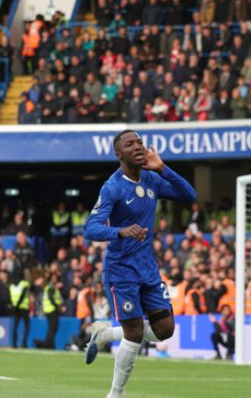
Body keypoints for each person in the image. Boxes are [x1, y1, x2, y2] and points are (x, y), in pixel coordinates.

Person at [82, 129, 196, 398]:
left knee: (165, 330)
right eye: (130, 144)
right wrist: (120, 231)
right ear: (118, 154)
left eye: (140, 142)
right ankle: (116, 393)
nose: (137, 147)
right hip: (121, 270)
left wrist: (163, 168)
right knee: (133, 332)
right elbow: (91, 228)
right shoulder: (112, 187)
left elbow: (189, 195)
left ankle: (105, 334)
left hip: (147, 268)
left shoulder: (151, 178)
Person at [10, 271, 31, 348]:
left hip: (15, 308)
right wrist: (18, 304)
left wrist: (15, 306)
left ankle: (14, 343)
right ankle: (24, 343)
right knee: (26, 325)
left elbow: (10, 297)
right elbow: (23, 295)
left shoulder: (11, 285)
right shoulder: (25, 284)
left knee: (15, 326)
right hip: (24, 307)